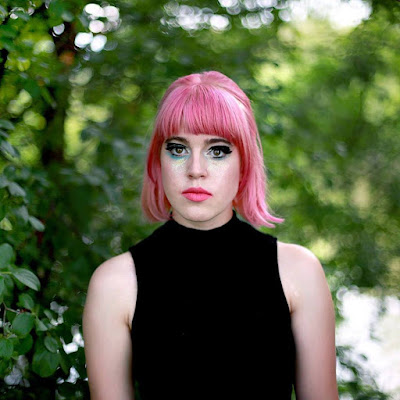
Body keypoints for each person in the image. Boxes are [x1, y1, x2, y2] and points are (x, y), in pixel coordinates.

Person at [83, 71, 339, 400]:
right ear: (158, 162)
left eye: (217, 151)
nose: (195, 170)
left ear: (245, 163)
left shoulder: (299, 271)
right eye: (177, 149)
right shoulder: (115, 283)